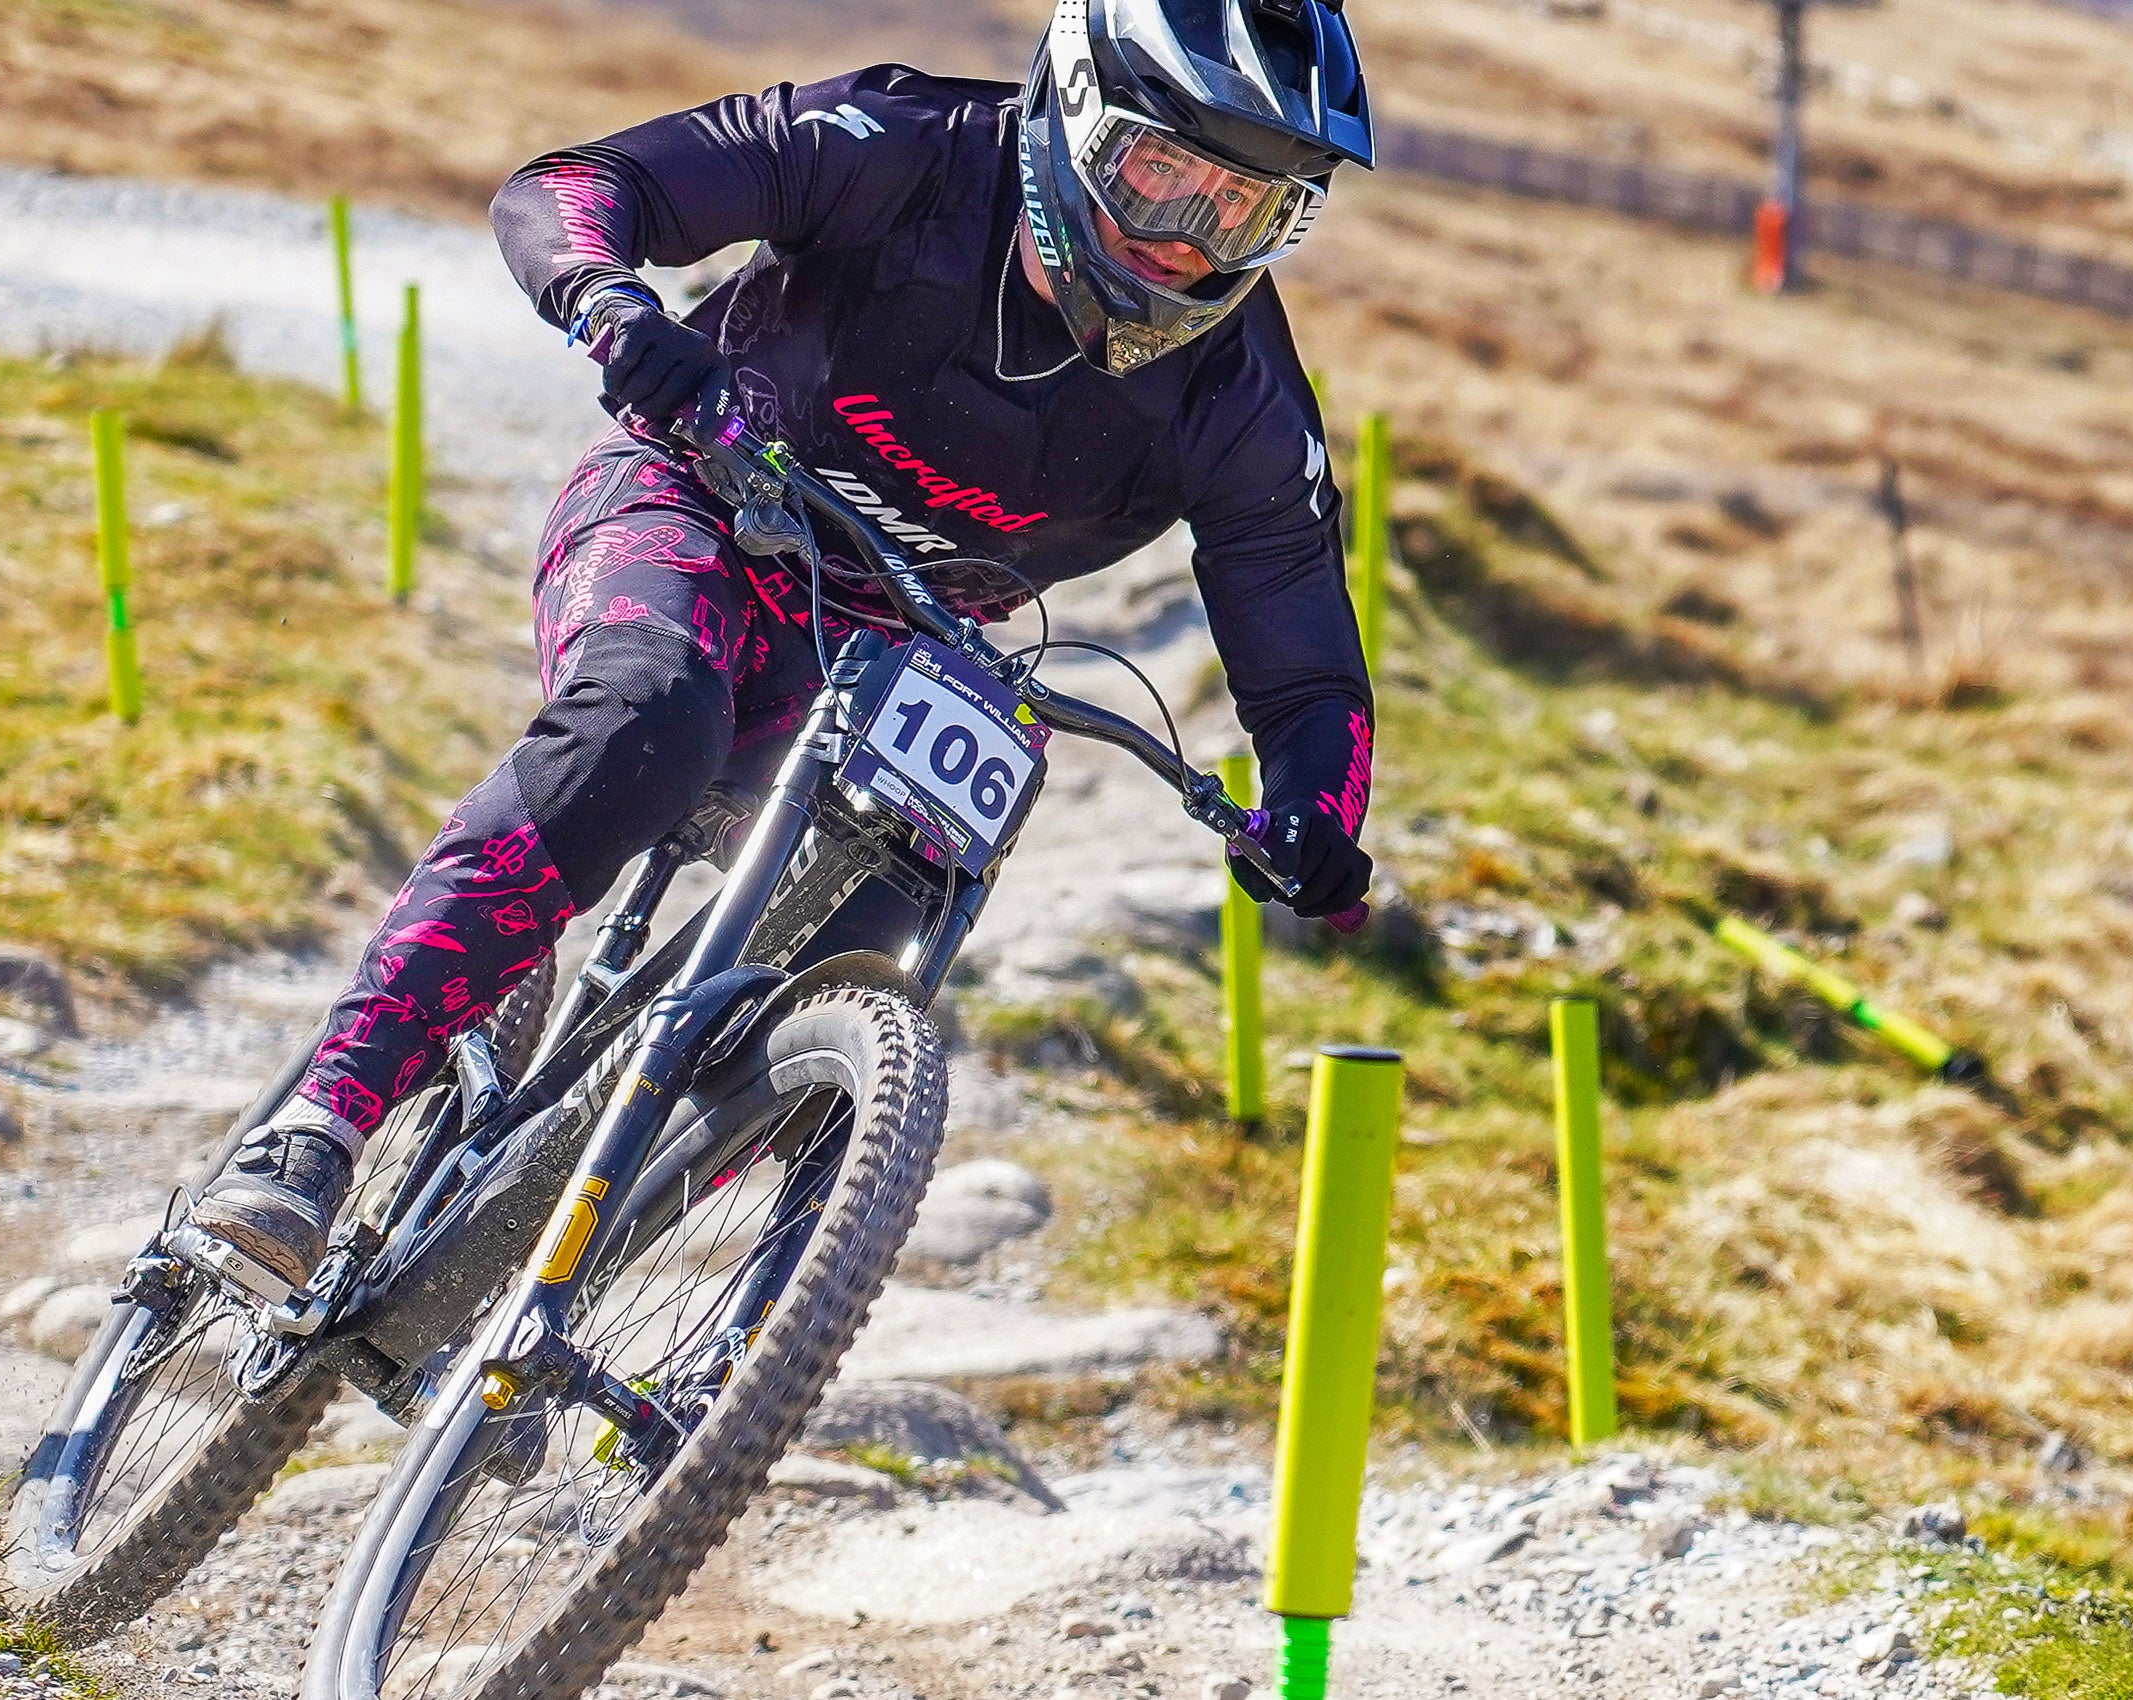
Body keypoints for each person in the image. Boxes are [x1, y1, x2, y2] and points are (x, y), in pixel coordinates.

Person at [188, 0, 1383, 1284]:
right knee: (648, 719)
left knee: (881, 942)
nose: (1186, 243)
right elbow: (577, 188)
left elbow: (1310, 666)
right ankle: (322, 1122)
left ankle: (565, 1314)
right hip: (693, 504)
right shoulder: (895, 146)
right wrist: (611, 306)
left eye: (1241, 211)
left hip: (893, 650)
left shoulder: (1243, 398)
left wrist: (1318, 814)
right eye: (1162, 176)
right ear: (1080, 118)